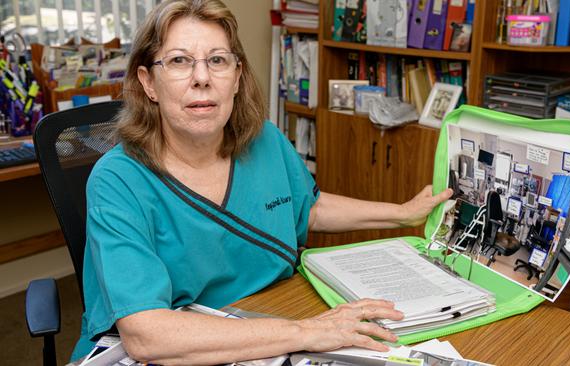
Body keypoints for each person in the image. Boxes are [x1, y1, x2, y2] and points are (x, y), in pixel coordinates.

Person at [71, 0, 453, 364]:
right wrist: (304, 332)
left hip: (272, 316)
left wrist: (403, 214)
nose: (202, 78)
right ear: (149, 83)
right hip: (180, 347)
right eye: (179, 62)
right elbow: (147, 335)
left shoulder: (265, 140)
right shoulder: (119, 179)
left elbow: (309, 207)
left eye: (217, 60)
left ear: (236, 78)